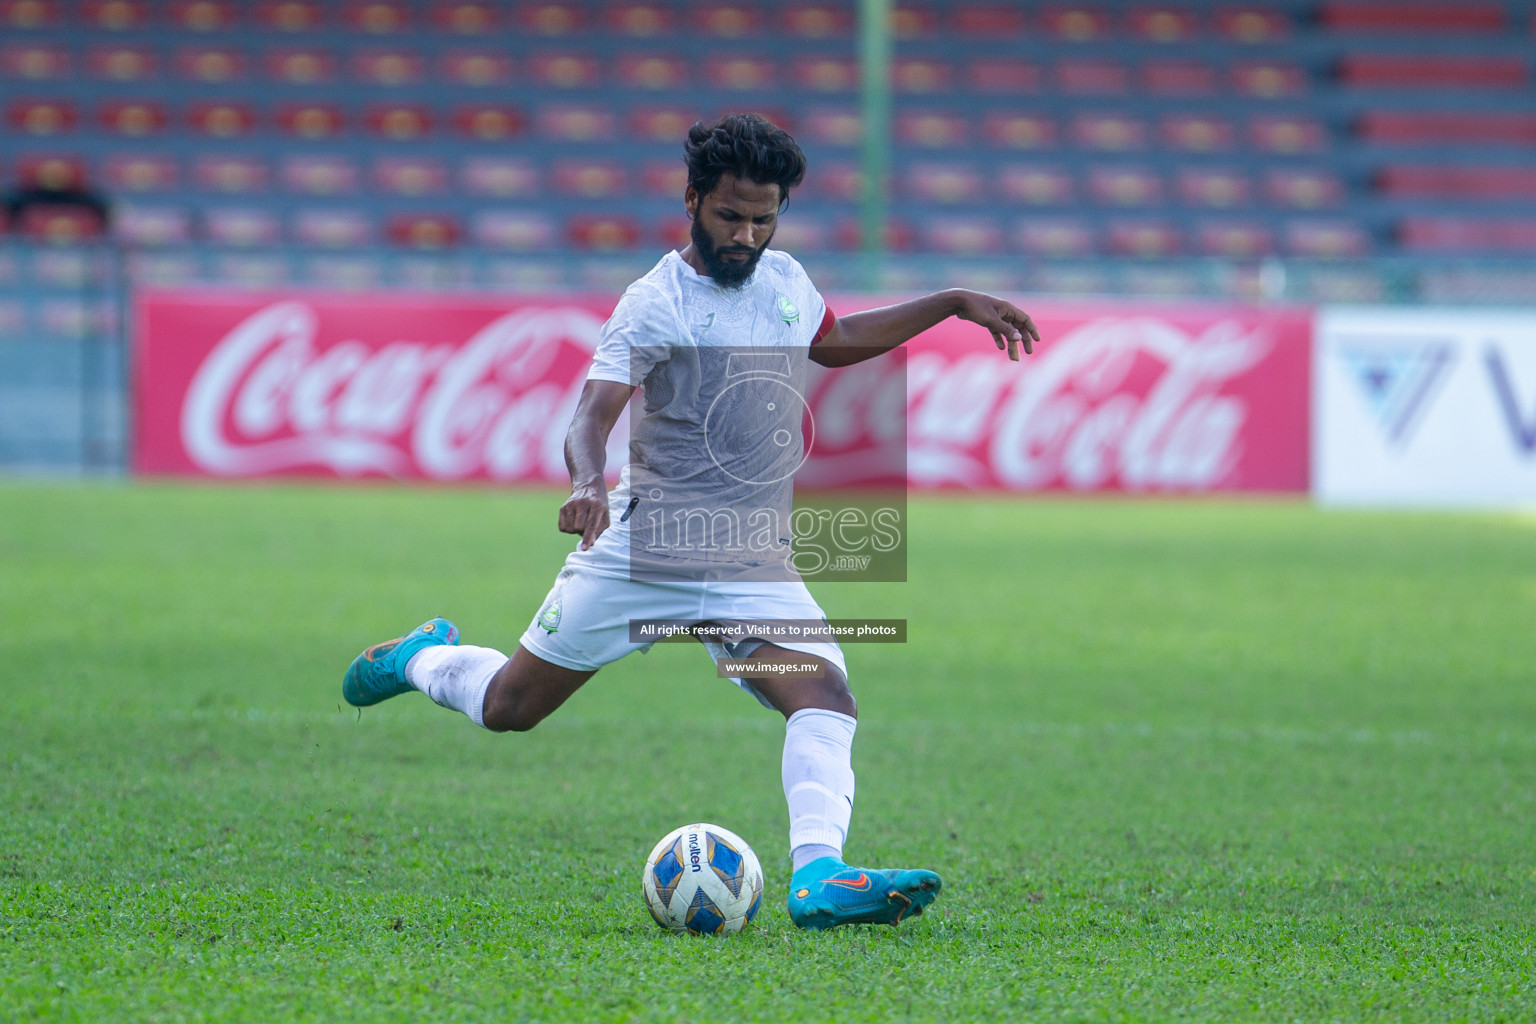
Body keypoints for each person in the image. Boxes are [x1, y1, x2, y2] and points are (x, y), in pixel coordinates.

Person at [343, 113, 1038, 930]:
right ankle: (424, 658)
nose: (746, 235)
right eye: (730, 216)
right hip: (645, 552)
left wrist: (953, 302)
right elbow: (590, 413)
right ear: (692, 200)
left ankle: (819, 875)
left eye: (763, 219)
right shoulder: (655, 303)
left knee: (822, 697)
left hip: (750, 561)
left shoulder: (784, 281)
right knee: (510, 708)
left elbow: (836, 339)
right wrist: (587, 483)